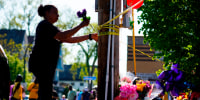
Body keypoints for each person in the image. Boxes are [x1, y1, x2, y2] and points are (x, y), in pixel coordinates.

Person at [28, 4, 98, 100]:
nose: (58, 15)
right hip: (41, 64)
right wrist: (81, 25)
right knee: (45, 92)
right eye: (55, 13)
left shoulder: (50, 28)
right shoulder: (45, 25)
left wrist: (89, 36)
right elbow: (63, 36)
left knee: (46, 92)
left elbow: (69, 39)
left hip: (45, 65)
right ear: (47, 13)